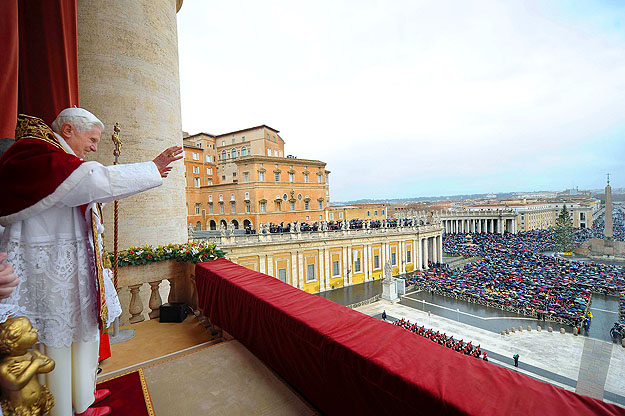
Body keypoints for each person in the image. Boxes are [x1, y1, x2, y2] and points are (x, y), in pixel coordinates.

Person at [0, 109, 182, 416]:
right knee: (58, 339)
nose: (95, 148)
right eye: (92, 139)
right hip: (48, 277)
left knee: (82, 334)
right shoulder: (38, 155)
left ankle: (82, 398)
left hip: (73, 273)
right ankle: (62, 408)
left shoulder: (61, 160)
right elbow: (96, 180)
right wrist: (150, 169)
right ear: (68, 130)